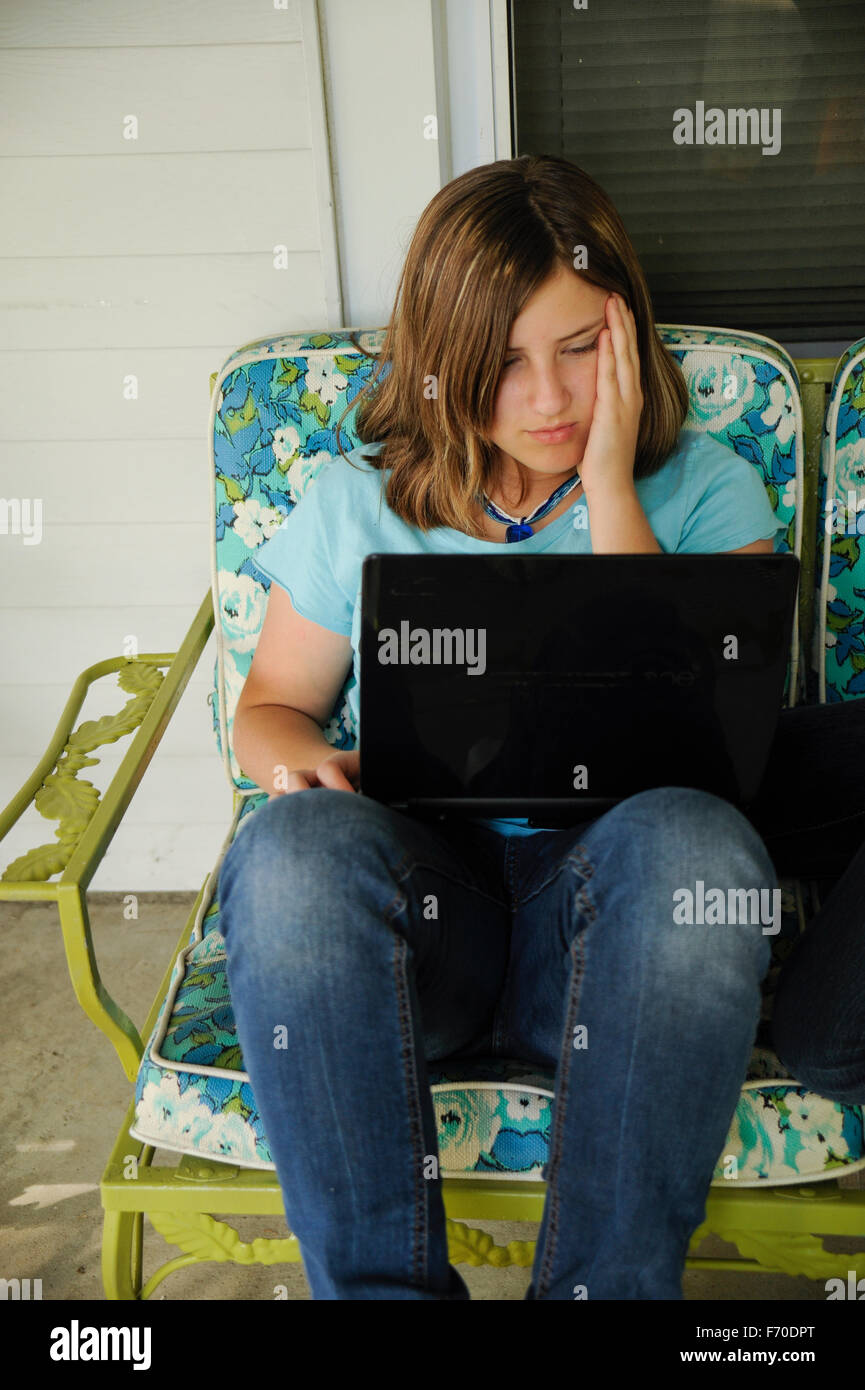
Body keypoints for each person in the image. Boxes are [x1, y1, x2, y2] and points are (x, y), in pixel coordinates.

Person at [216, 154, 864, 1300]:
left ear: (629, 331)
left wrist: (612, 487)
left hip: (619, 937)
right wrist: (297, 763)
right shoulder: (355, 502)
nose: (552, 400)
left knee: (696, 841)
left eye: (578, 349)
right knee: (285, 853)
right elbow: (267, 711)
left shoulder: (706, 489)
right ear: (442, 366)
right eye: (505, 364)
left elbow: (718, 750)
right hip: (431, 931)